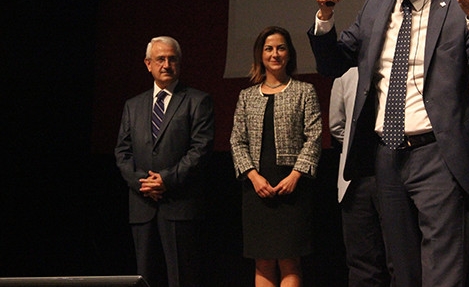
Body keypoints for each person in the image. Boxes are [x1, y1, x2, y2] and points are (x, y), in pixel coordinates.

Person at [308, 0, 469, 286]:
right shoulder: (374, 8)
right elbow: (333, 64)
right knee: (402, 269)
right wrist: (324, 16)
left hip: (439, 154)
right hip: (386, 155)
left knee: (443, 270)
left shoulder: (458, 6)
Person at [114, 36, 215, 287]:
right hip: (142, 205)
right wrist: (143, 183)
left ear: (180, 63)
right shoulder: (133, 105)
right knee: (145, 277)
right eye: (160, 59)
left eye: (172, 59)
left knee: (181, 278)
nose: (166, 65)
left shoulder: (197, 100)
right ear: (148, 64)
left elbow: (200, 150)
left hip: (179, 205)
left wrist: (166, 180)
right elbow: (122, 152)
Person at [230, 26, 322, 287]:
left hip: (292, 187)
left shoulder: (304, 91)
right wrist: (253, 177)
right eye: (269, 49)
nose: (275, 54)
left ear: (289, 53)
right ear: (260, 55)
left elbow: (314, 137)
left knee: (290, 261)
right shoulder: (246, 96)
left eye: (281, 48)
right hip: (256, 188)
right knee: (263, 261)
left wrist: (296, 175)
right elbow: (237, 140)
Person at [329, 67, 390, 287]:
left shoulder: (396, 67)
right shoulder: (346, 75)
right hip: (356, 181)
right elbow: (337, 126)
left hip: (393, 177)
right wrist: (359, 145)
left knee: (400, 257)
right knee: (362, 262)